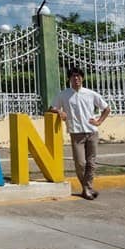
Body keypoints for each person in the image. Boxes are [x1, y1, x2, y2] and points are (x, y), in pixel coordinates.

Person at [50, 67, 111, 200]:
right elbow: (51, 108)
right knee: (80, 163)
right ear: (69, 78)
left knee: (91, 163)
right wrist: (59, 112)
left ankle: (86, 188)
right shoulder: (63, 95)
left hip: (92, 132)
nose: (76, 79)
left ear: (82, 78)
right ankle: (87, 188)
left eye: (78, 76)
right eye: (73, 76)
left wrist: (99, 121)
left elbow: (106, 108)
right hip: (76, 133)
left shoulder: (90, 94)